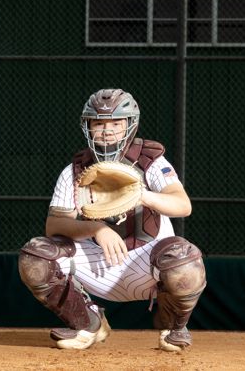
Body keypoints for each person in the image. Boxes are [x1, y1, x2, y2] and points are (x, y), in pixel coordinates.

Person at [18, 89, 206, 351]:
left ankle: (173, 327)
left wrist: (141, 195)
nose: (107, 131)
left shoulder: (150, 162)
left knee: (184, 259)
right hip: (97, 263)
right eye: (99, 124)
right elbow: (54, 225)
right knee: (35, 257)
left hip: (146, 264)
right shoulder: (75, 171)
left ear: (130, 125)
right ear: (87, 126)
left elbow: (183, 205)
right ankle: (87, 323)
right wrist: (96, 228)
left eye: (116, 123)